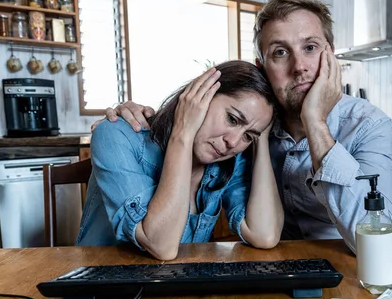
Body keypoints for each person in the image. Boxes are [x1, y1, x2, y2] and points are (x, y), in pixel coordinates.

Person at [96, 0, 392, 254]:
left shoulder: (368, 125)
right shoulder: (239, 135)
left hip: (346, 261)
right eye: (280, 52)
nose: (300, 67)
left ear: (331, 55)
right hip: (274, 266)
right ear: (262, 68)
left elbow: (376, 239)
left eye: (310, 48)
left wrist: (315, 123)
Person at [77, 61, 283, 260]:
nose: (233, 141)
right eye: (232, 119)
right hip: (105, 291)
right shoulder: (116, 134)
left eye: (248, 135)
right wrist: (183, 131)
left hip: (176, 291)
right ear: (200, 96)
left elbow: (264, 235)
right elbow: (161, 245)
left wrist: (260, 138)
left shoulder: (228, 162)